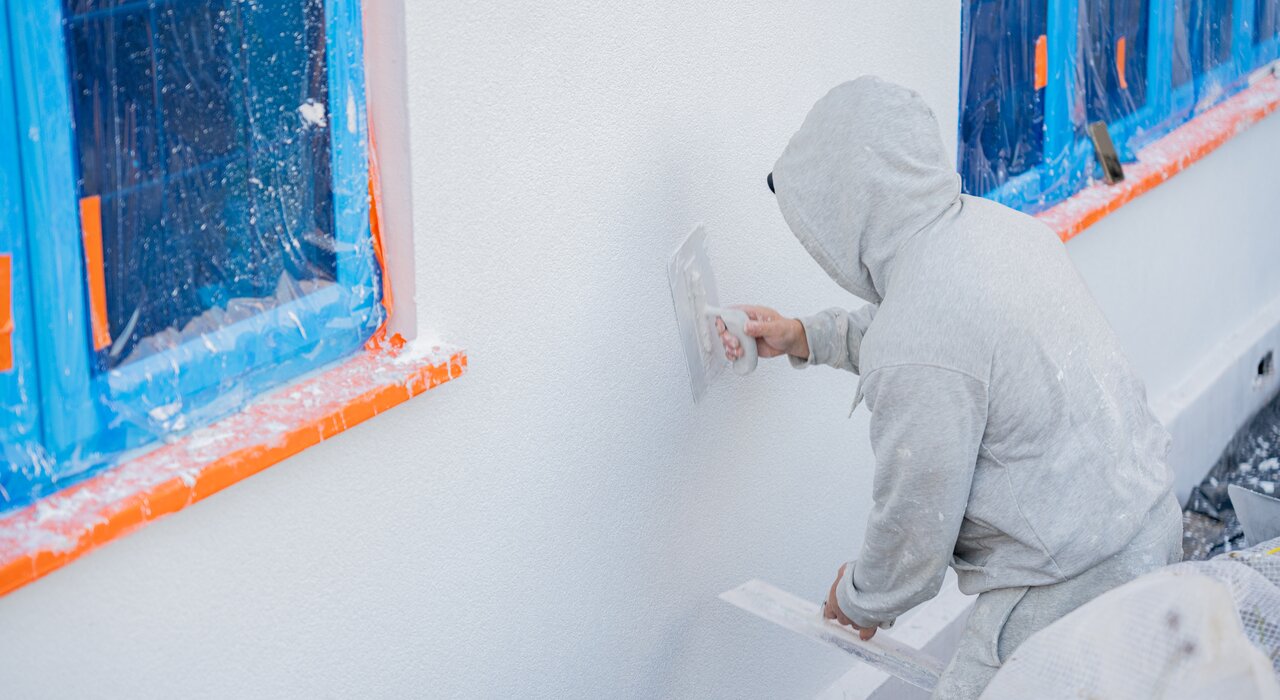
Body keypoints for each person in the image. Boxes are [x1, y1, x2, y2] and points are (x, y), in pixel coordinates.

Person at [718, 76, 1183, 699]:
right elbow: (942, 344)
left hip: (1070, 591)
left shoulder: (919, 338)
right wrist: (807, 335)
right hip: (1146, 530)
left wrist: (859, 597)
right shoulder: (998, 232)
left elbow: (915, 529)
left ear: (849, 207)